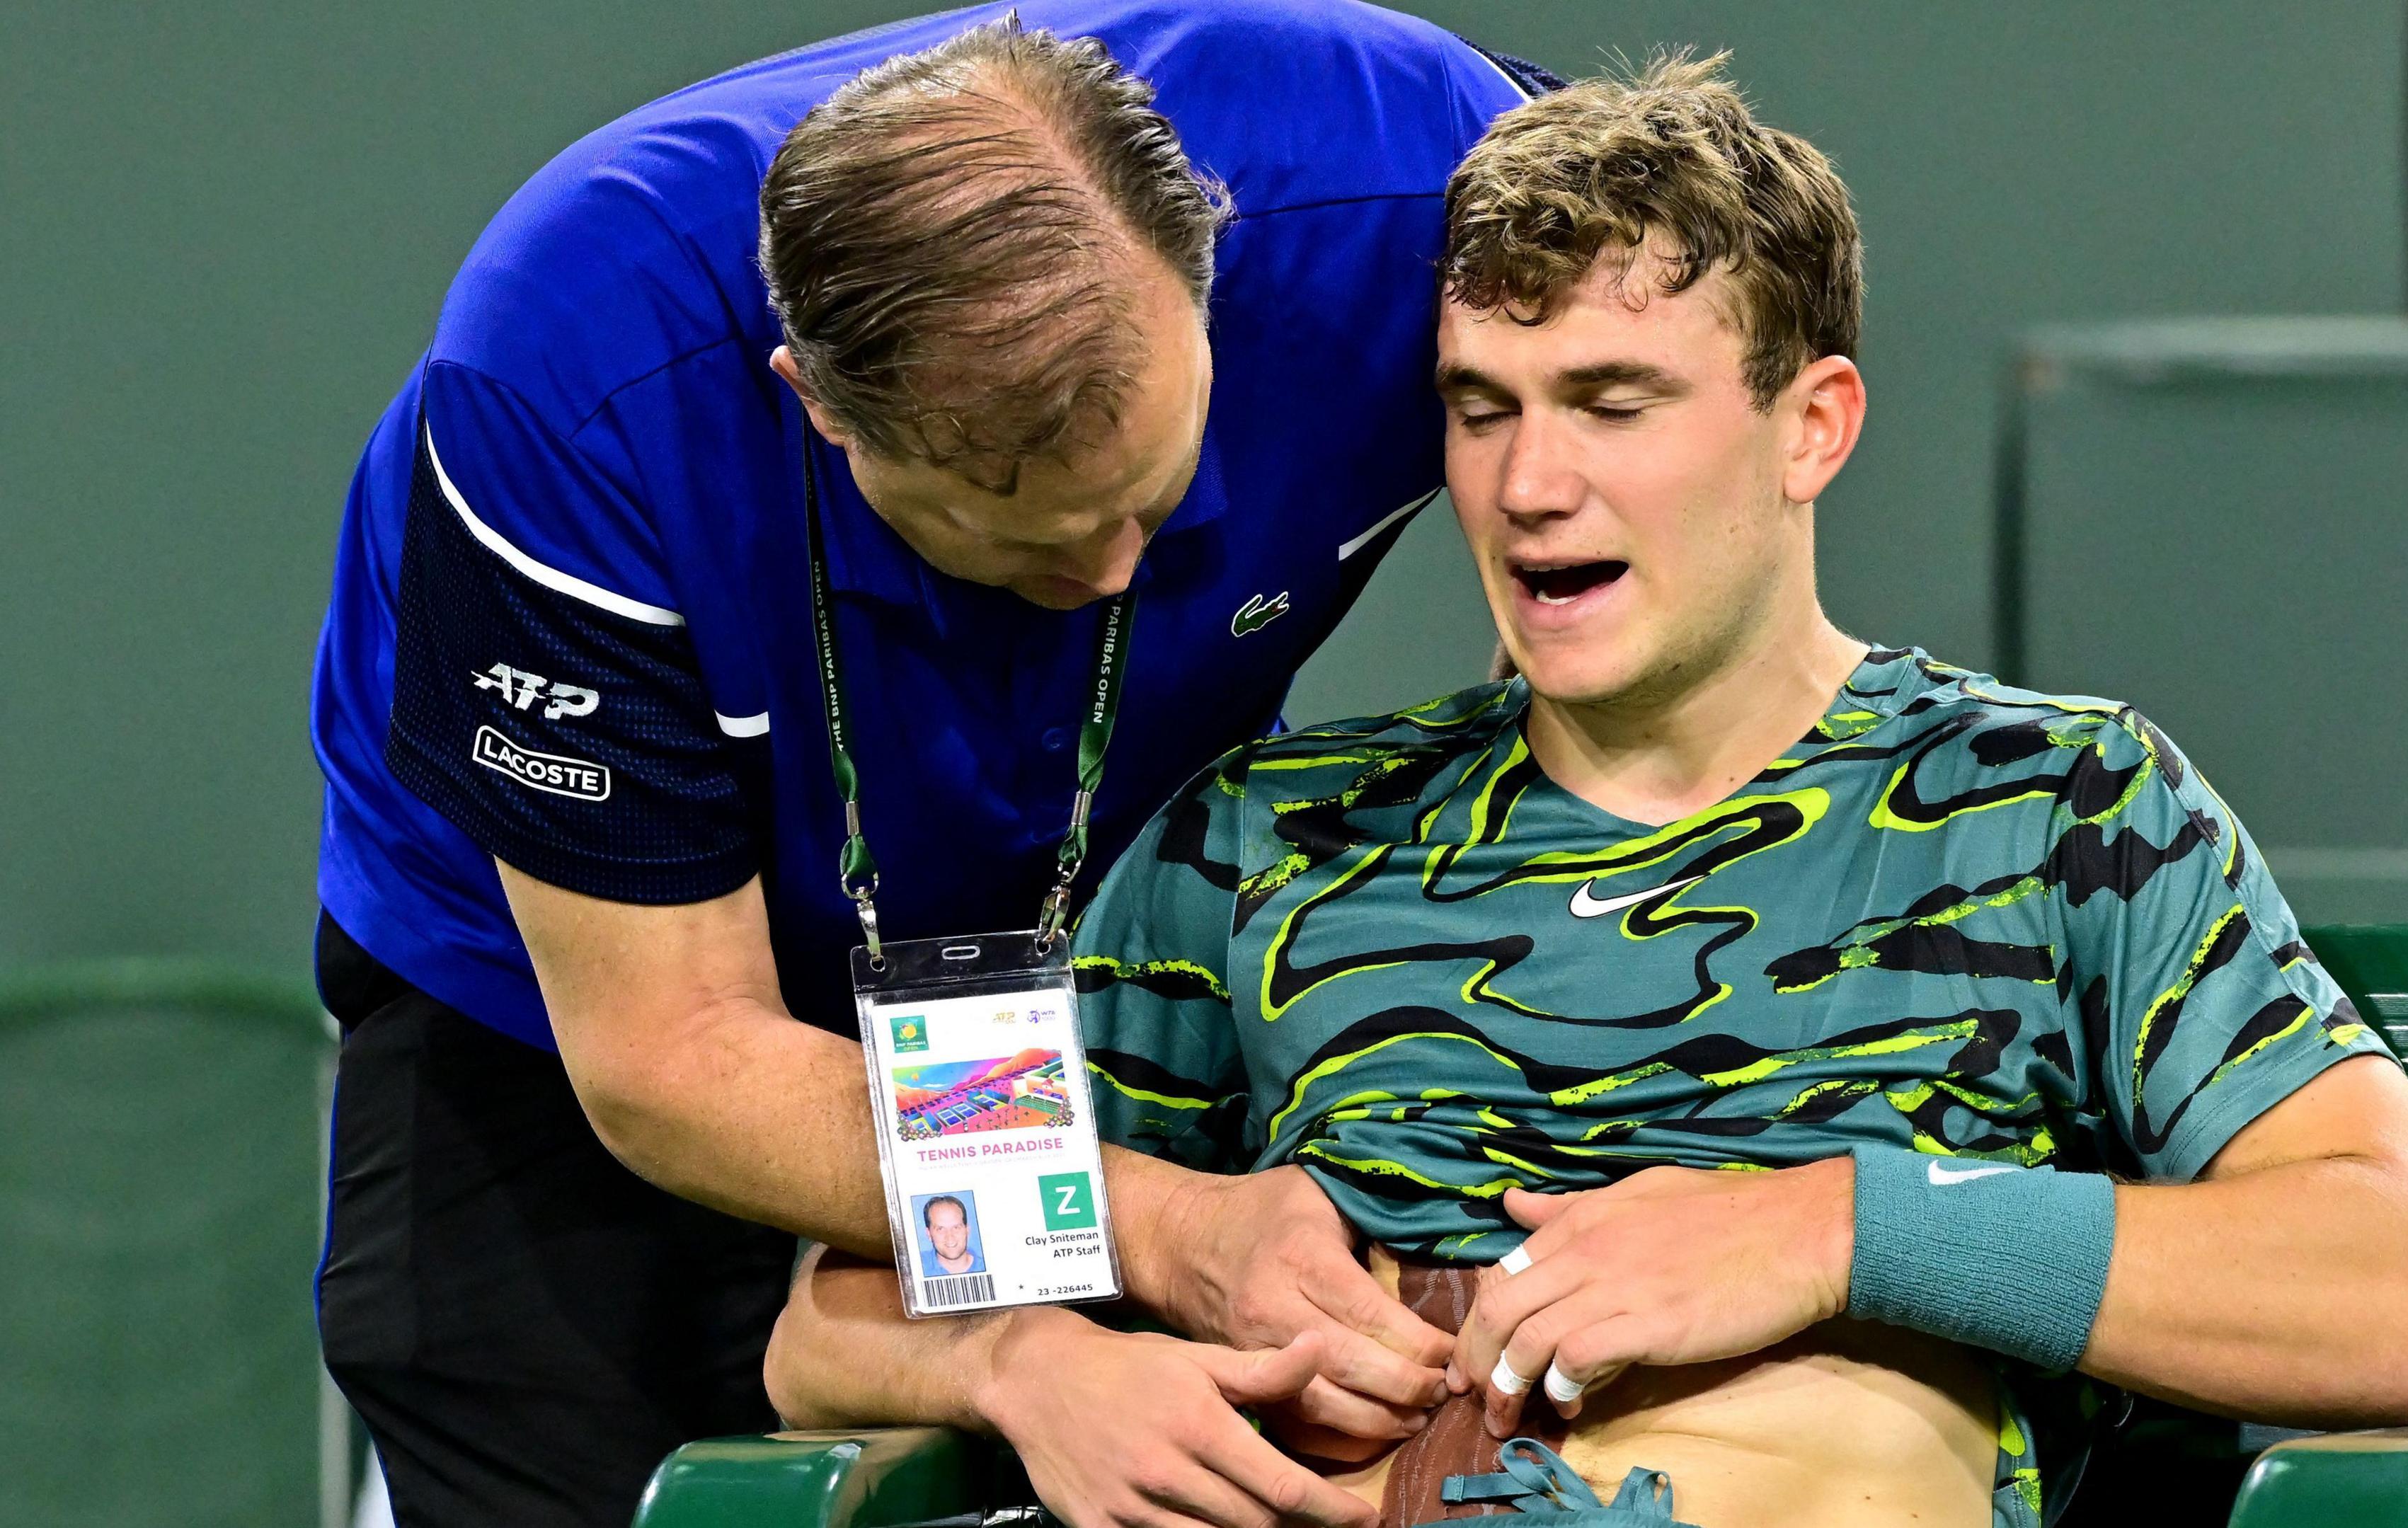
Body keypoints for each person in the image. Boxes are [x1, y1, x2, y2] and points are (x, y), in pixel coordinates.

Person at [764, 54, 2408, 1528]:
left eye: (1612, 401)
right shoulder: (1252, 832)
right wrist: (1035, 1359)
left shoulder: (2060, 804)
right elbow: (831, 1314)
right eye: (1480, 407)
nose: (1531, 483)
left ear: (1809, 424)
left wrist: (1839, 1229)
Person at [306, 4, 1566, 1523]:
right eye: (1030, 538)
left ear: (1203, 269)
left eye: (1154, 503)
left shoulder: (1415, 166)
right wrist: (1159, 1238)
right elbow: (676, 1058)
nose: (1117, 577)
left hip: (1058, 940)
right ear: (818, 402)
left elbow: (1685, 366)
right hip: (581, 1002)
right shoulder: (573, 381)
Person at [919, 1195, 985, 1278]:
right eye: (941, 1229)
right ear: (929, 1234)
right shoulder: (915, 1266)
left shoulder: (990, 1267)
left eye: (956, 1228)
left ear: (967, 1230)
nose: (950, 1238)